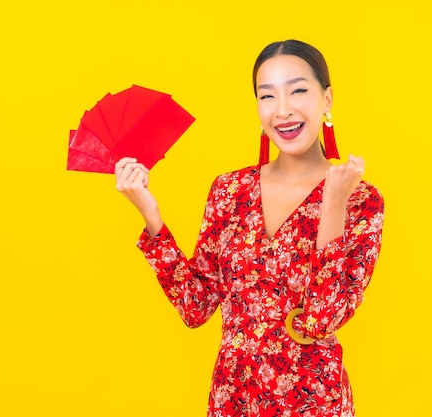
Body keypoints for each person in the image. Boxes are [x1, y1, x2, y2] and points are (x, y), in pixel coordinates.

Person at [114, 39, 384, 417]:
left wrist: (334, 202)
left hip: (314, 401)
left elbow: (322, 319)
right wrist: (149, 212)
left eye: (299, 91)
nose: (283, 110)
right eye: (267, 96)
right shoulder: (229, 191)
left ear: (327, 99)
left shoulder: (360, 200)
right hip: (234, 398)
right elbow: (196, 306)